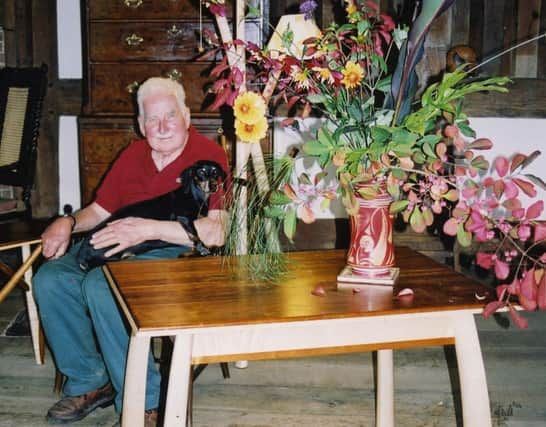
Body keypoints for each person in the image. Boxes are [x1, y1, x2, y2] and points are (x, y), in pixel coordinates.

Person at [33, 77, 230, 426]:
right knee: (51, 279)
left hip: (177, 254)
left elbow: (217, 231)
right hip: (118, 249)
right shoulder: (133, 154)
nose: (163, 126)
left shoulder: (208, 158)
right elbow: (98, 212)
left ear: (186, 116)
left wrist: (149, 228)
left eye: (170, 115)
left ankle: (145, 401)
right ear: (141, 125)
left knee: (103, 286)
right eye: (152, 119)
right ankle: (90, 380)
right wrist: (67, 222)